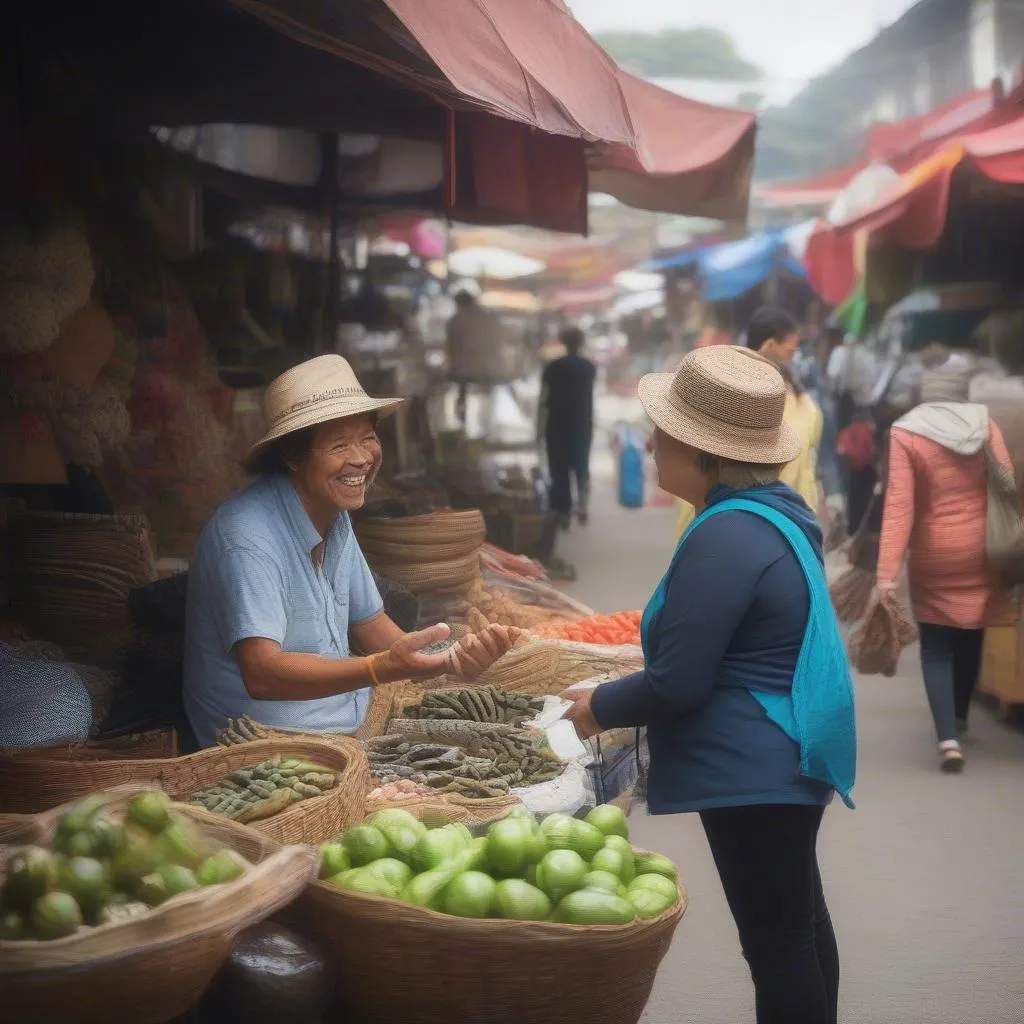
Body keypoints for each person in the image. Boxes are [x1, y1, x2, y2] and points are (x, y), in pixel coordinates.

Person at [562, 346, 856, 1024]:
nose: (650, 444)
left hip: (752, 766)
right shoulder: (777, 511)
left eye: (660, 433)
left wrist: (598, 705)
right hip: (782, 751)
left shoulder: (726, 536)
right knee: (799, 925)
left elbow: (679, 683)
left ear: (701, 451)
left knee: (779, 945)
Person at [183, 354, 517, 750]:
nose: (361, 458)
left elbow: (373, 627)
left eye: (367, 438)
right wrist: (380, 669)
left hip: (344, 721)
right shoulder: (246, 540)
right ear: (292, 456)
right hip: (267, 747)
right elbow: (264, 673)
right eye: (339, 444)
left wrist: (449, 658)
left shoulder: (333, 513)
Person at [876, 364, 1016, 772]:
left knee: (936, 647)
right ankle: (959, 716)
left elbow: (900, 507)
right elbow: (1006, 481)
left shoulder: (906, 432)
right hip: (982, 548)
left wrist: (887, 573)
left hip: (933, 553)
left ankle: (948, 740)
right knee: (973, 631)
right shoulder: (986, 425)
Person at [539, 327, 597, 528]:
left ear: (562, 342)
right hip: (582, 424)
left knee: (559, 469)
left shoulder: (552, 367)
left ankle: (563, 511)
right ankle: (582, 507)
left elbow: (543, 399)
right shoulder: (589, 367)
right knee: (581, 466)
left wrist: (538, 428)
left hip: (556, 424)